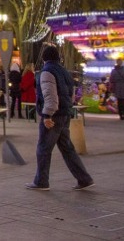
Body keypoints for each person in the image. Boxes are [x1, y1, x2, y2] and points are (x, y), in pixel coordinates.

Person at [26, 44, 94, 191]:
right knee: (67, 148)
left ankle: (41, 181)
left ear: (44, 59)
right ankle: (84, 178)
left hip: (54, 115)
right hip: (65, 113)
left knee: (43, 148)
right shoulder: (64, 72)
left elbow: (50, 95)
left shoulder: (47, 72)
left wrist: (47, 115)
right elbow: (70, 94)